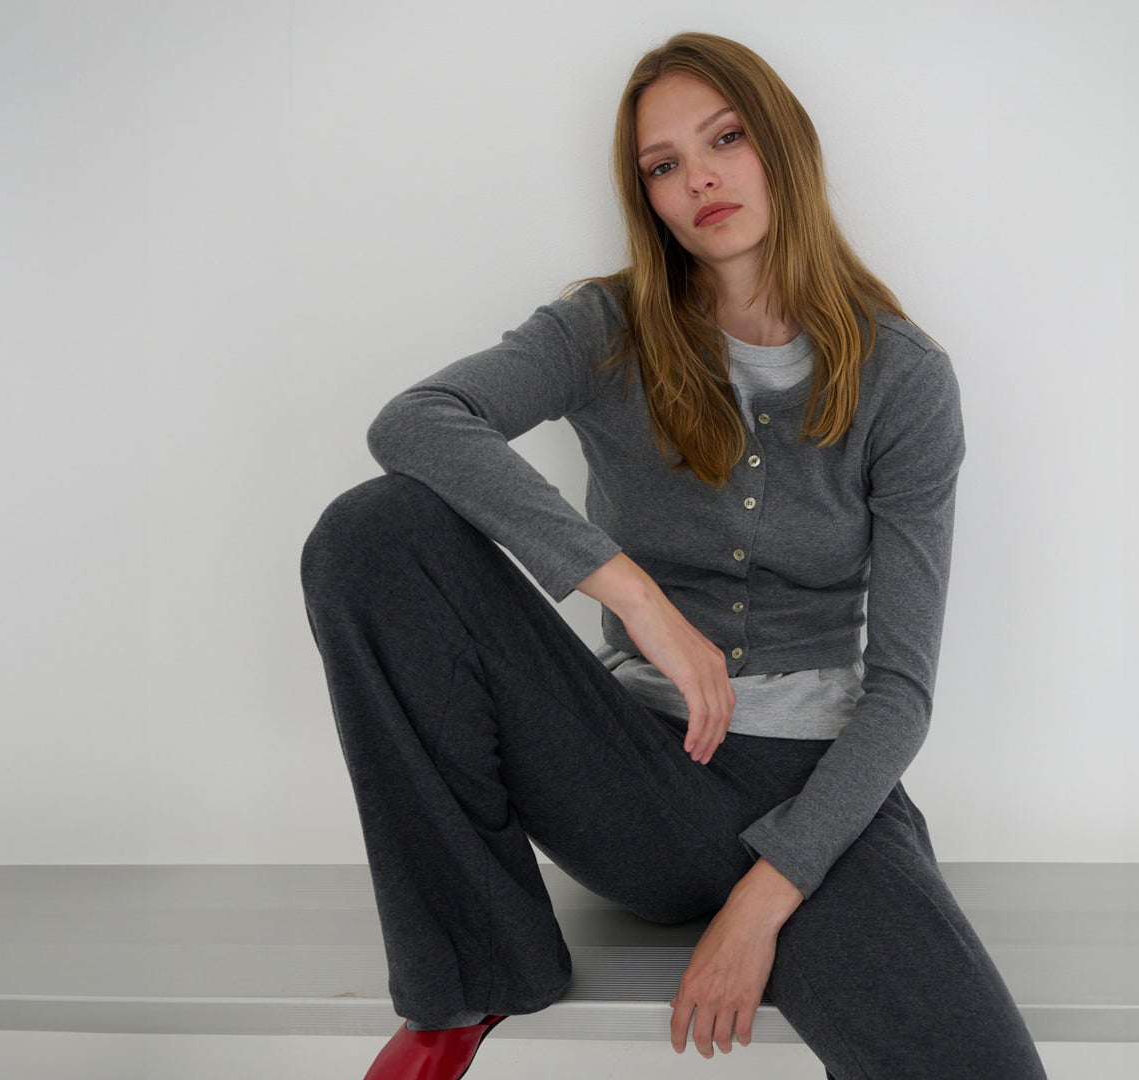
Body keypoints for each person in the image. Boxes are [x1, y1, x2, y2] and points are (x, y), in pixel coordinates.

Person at [300, 30, 1047, 1080]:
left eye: (725, 138)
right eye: (663, 165)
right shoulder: (606, 329)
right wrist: (629, 592)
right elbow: (417, 422)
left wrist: (763, 898)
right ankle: (469, 982)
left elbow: (903, 694)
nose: (699, 177)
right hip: (630, 770)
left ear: (782, 145)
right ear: (647, 196)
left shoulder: (905, 380)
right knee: (373, 533)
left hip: (819, 793)